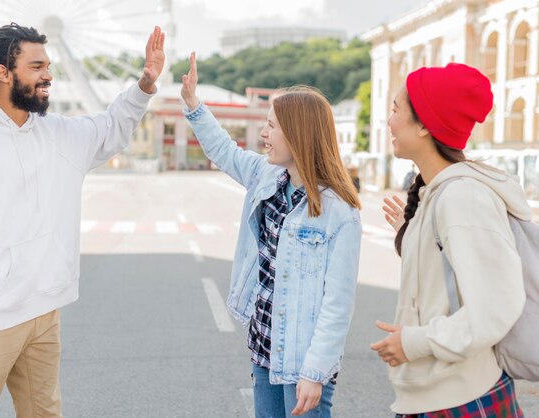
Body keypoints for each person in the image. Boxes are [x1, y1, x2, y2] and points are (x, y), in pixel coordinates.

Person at [0, 23, 165, 418]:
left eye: (48, 65)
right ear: (3, 72)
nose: (48, 74)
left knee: (44, 413)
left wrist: (145, 85)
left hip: (43, 314)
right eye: (36, 66)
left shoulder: (59, 134)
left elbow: (110, 128)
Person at [181, 52, 362, 418]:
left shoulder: (339, 212)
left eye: (272, 127)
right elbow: (224, 150)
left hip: (303, 364)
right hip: (264, 348)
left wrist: (314, 373)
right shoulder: (267, 177)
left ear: (299, 135)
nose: (263, 134)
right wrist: (193, 105)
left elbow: (337, 304)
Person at [370, 63, 530, 417]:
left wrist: (413, 342)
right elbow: (446, 283)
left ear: (425, 125)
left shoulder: (463, 197)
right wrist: (409, 238)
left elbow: (494, 307)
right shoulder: (439, 195)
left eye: (396, 109)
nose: (389, 121)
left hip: (462, 397)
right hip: (438, 394)